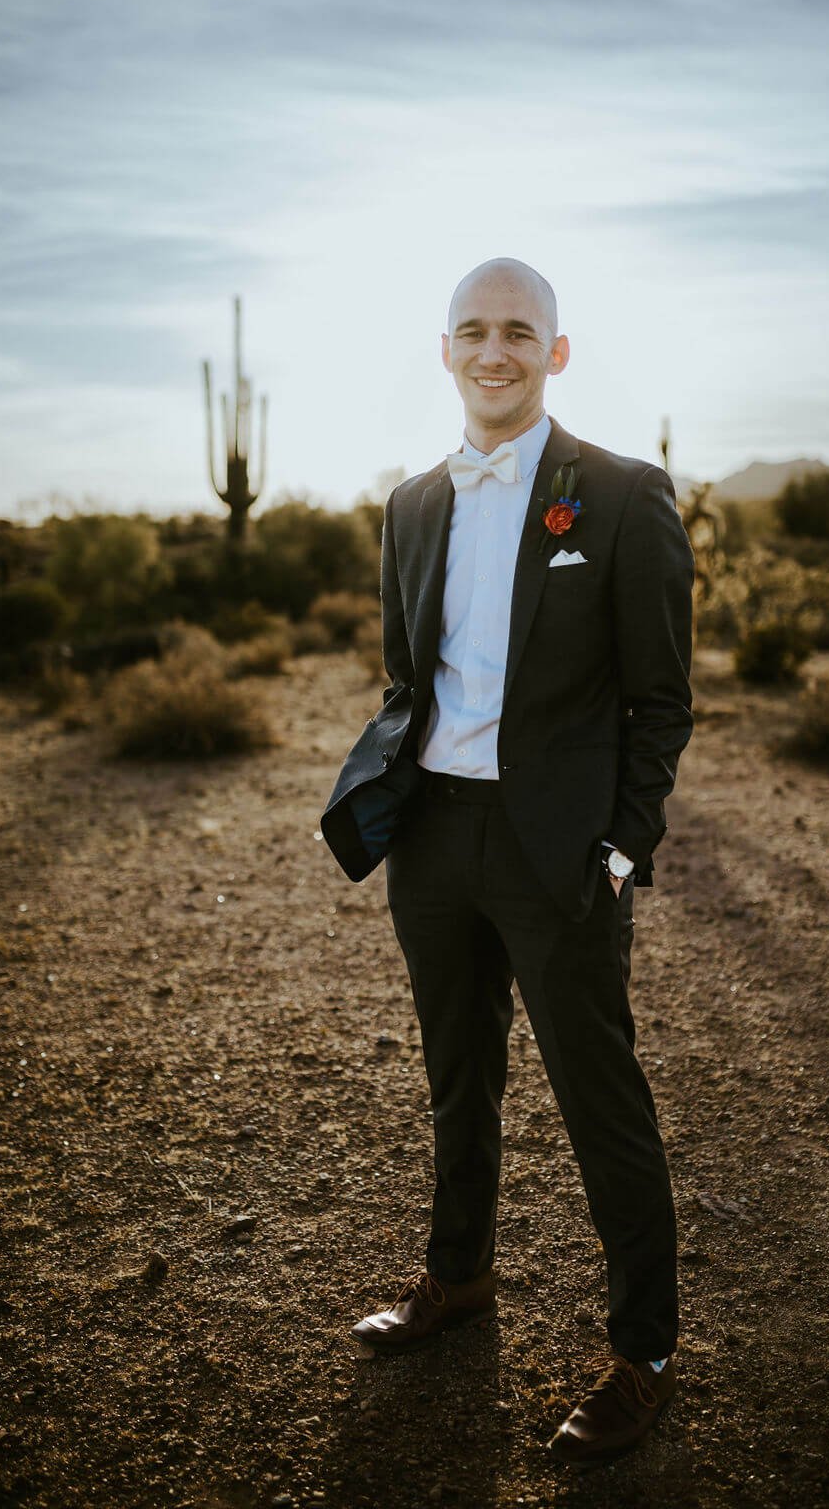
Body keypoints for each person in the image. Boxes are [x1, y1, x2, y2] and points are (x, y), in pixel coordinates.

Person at [319, 256, 695, 1467]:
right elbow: (404, 673)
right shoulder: (411, 505)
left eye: (519, 332)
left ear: (556, 352)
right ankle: (458, 1276)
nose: (496, 350)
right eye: (474, 331)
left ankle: (642, 1351)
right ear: (445, 351)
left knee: (600, 1100)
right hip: (435, 834)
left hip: (560, 852)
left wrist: (624, 850)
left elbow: (660, 701)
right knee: (455, 1076)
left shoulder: (626, 498)